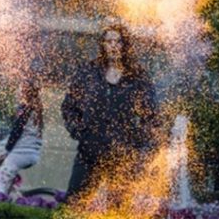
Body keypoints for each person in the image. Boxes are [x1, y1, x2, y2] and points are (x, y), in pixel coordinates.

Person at [61, 22, 159, 202]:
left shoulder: (137, 77)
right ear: (103, 45)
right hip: (89, 151)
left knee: (118, 207)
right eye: (109, 41)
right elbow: (69, 106)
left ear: (125, 45)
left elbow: (151, 116)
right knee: (73, 203)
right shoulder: (88, 72)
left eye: (118, 41)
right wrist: (79, 131)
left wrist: (137, 143)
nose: (113, 45)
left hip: (122, 155)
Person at [0, 79, 44, 196]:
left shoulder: (24, 107)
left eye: (20, 88)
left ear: (25, 91)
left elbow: (16, 131)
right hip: (32, 153)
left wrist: (7, 151)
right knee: (5, 178)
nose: (18, 91)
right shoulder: (37, 108)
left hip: (21, 153)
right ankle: (10, 196)